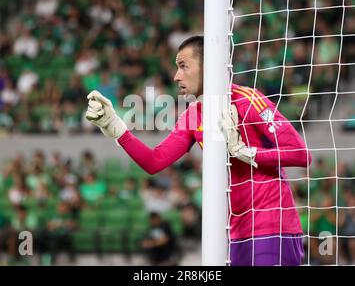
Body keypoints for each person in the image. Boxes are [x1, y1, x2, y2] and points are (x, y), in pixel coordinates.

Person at [85, 35, 312, 266]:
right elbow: (155, 161)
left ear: (210, 65)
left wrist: (247, 152)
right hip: (235, 233)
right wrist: (117, 128)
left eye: (183, 66)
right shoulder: (193, 114)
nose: (176, 76)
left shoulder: (248, 100)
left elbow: (301, 154)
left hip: (273, 224)